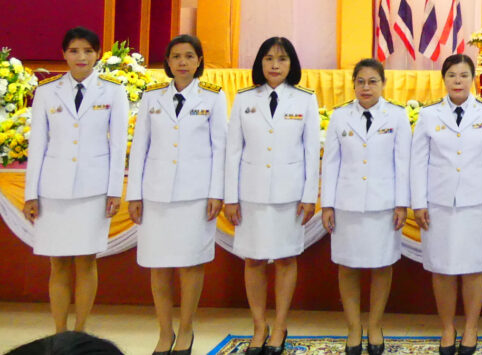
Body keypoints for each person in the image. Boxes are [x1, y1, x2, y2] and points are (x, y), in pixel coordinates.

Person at [22, 27, 129, 334]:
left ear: (98, 55)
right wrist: (32, 194)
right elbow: (38, 145)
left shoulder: (113, 91)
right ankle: (59, 332)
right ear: (63, 54)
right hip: (53, 190)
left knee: (85, 262)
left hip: (93, 191)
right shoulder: (46, 91)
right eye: (74, 51)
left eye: (88, 51)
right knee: (58, 263)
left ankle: (80, 332)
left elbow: (117, 145)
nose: (81, 57)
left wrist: (113, 191)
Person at [128, 34, 227, 355]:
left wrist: (216, 192)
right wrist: (134, 194)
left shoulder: (213, 97)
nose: (182, 62)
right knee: (159, 265)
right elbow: (139, 148)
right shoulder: (151, 97)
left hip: (195, 194)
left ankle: (186, 329)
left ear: (199, 61)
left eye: (189, 56)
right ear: (167, 63)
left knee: (190, 264)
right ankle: (164, 331)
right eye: (176, 56)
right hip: (156, 194)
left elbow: (219, 149)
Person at [224, 36, 320, 355]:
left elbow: (311, 151)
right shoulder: (244, 99)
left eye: (281, 59)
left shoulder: (305, 100)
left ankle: (279, 325)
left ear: (291, 64)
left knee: (285, 258)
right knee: (253, 259)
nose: (274, 65)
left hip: (289, 194)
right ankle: (258, 325)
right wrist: (230, 196)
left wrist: (310, 195)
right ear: (260, 63)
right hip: (250, 192)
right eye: (268, 58)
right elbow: (233, 151)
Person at [412, 53, 482, 355]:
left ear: (473, 79)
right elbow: (418, 162)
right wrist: (418, 202)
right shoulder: (429, 115)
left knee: (474, 267)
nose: (458, 81)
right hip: (438, 203)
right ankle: (447, 327)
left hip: (477, 203)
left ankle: (470, 327)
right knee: (442, 268)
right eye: (452, 75)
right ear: (444, 79)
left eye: (464, 75)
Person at [321, 58, 412, 355]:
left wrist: (401, 203)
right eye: (360, 81)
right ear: (354, 84)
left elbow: (403, 163)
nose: (366, 87)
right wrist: (328, 204)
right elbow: (331, 163)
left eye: (372, 81)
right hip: (347, 203)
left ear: (383, 84)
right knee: (347, 266)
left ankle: (374, 325)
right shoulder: (339, 116)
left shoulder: (397, 116)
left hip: (383, 204)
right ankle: (353, 328)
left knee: (382, 265)